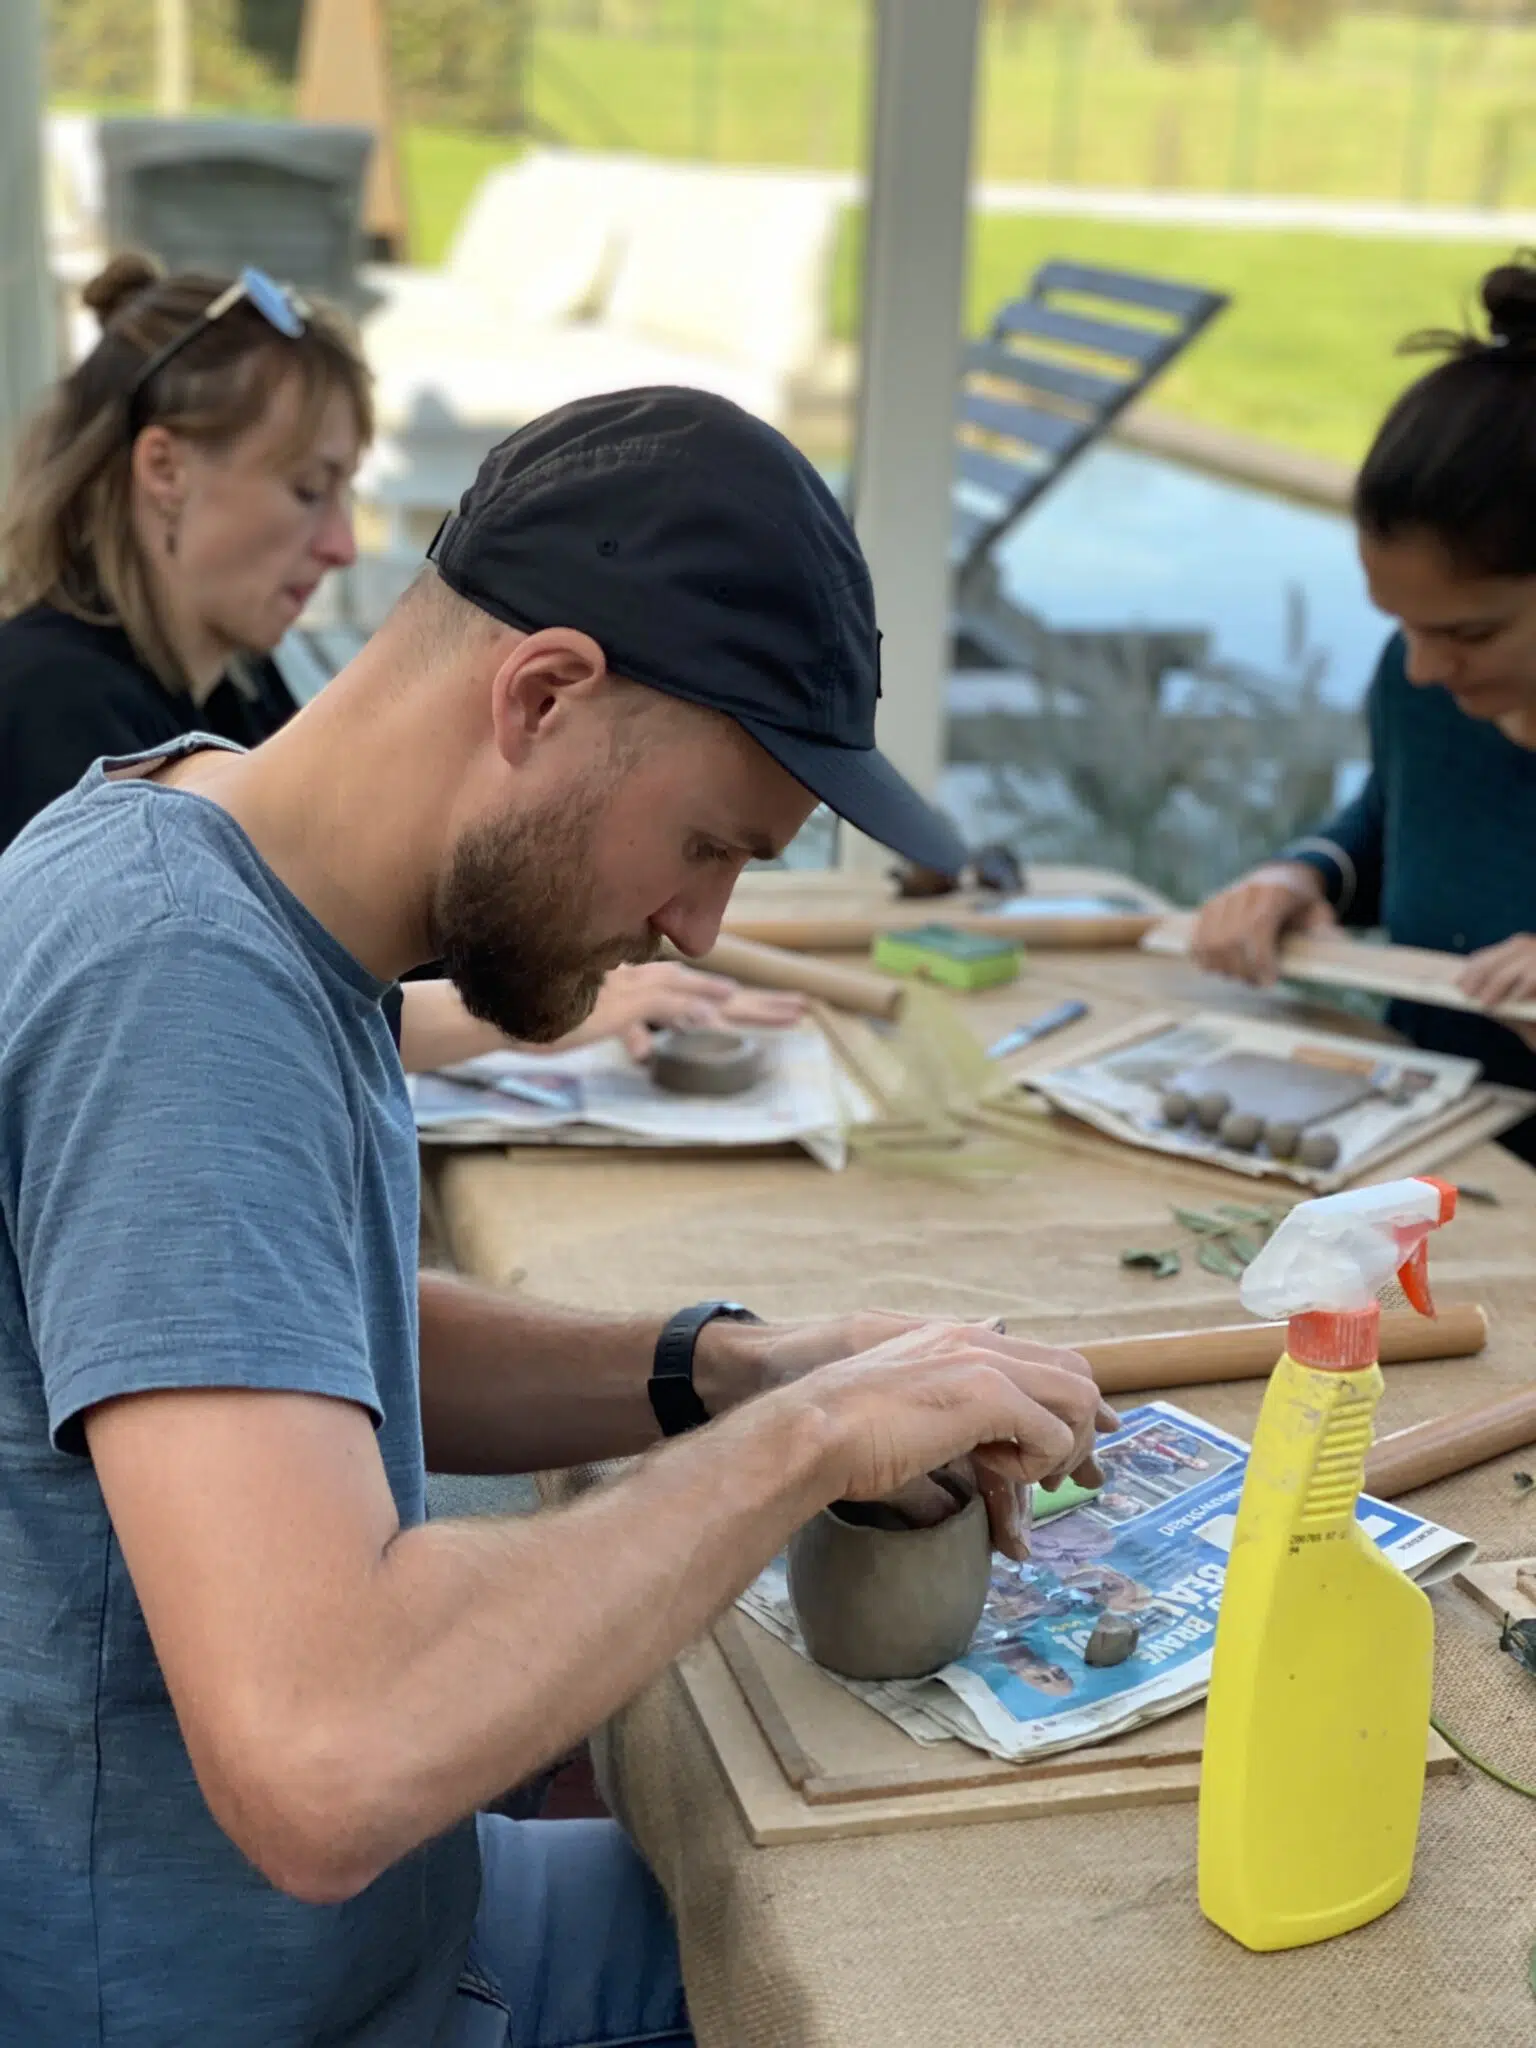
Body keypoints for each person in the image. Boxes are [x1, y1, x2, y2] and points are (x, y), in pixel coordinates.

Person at [0, 382, 1113, 2046]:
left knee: (933, 1902)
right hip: (262, 2000)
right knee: (984, 1985)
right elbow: (325, 1755)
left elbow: (298, 1332)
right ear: (540, 693)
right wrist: (806, 1441)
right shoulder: (180, 991)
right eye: (706, 843)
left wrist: (739, 1366)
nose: (700, 926)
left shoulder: (206, 852)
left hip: (380, 1931)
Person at [0, 252, 801, 1069]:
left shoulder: (232, 689)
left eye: (347, 493)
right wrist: (565, 1006)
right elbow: (222, 1002)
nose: (342, 546)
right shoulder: (50, 705)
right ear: (164, 469)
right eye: (308, 489)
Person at [1190, 255, 1536, 1161]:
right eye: (1401, 624)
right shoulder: (1430, 687)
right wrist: (1302, 877)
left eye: (1468, 631)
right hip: (1423, 1158)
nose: (1420, 668)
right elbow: (1404, 819)